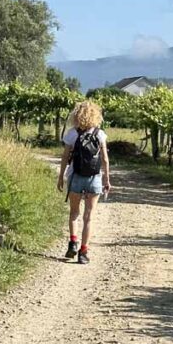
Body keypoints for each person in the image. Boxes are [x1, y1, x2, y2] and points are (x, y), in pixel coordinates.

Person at [57, 100, 111, 264]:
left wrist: (61, 176)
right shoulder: (100, 134)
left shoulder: (72, 134)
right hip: (94, 179)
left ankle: (73, 243)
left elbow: (65, 157)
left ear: (76, 116)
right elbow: (105, 159)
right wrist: (106, 179)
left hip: (76, 177)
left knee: (74, 213)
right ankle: (83, 252)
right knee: (89, 217)